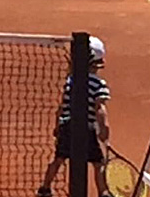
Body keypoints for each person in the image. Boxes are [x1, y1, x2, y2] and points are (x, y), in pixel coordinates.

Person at [37, 36, 112, 197]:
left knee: (59, 158)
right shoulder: (99, 85)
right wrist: (104, 128)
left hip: (67, 126)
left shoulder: (70, 81)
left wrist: (57, 125)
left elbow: (62, 107)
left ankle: (44, 188)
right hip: (86, 130)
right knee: (98, 163)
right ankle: (103, 192)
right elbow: (100, 108)